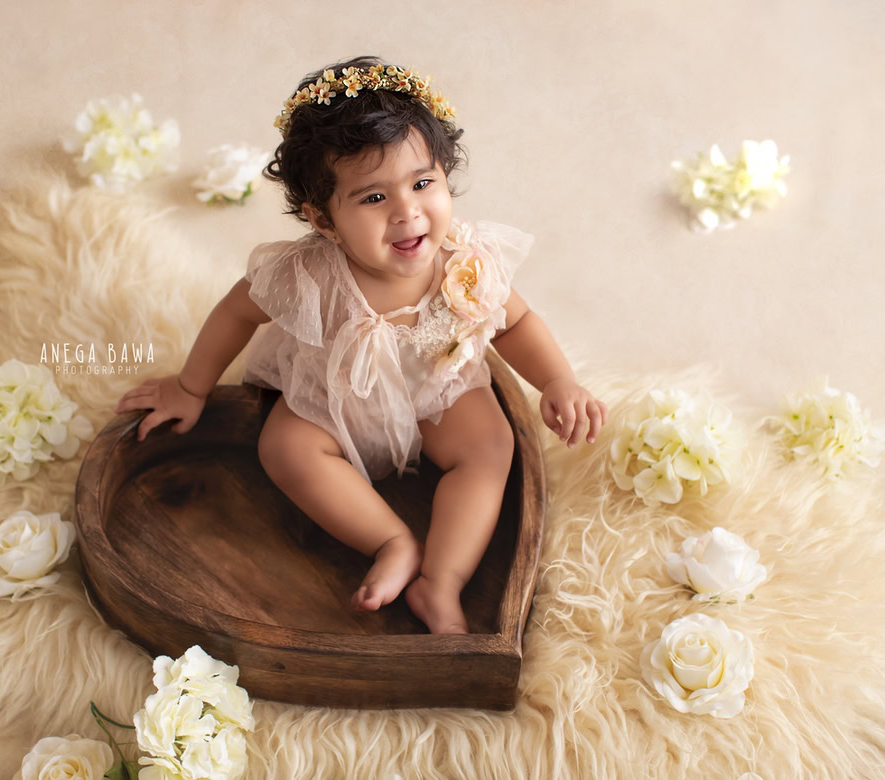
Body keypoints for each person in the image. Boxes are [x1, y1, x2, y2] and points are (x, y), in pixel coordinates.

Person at [115, 56, 608, 634]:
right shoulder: (310, 275)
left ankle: (440, 582)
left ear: (446, 178)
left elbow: (516, 324)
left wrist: (557, 380)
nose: (407, 212)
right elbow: (235, 312)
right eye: (373, 199)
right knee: (284, 448)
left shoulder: (465, 264)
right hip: (334, 398)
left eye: (423, 183)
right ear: (324, 220)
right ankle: (393, 541)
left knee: (492, 446)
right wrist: (191, 386)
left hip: (437, 389)